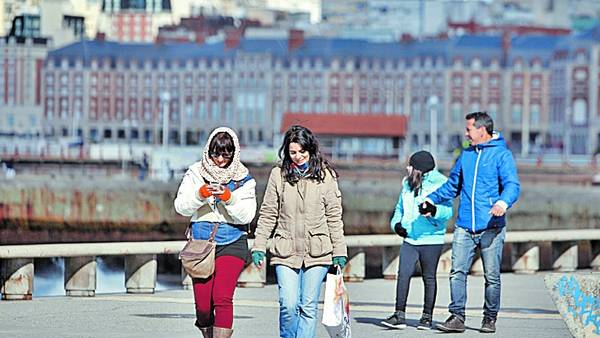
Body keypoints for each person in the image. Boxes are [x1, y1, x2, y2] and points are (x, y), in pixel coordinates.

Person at [419, 112, 520, 333]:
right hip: (464, 225)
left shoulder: (502, 155)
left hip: (491, 226)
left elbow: (513, 185)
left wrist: (503, 203)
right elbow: (452, 185)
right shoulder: (466, 155)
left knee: (491, 276)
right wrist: (431, 199)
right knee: (457, 272)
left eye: (469, 129)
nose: (466, 133)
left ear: (482, 130)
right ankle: (457, 317)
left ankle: (489, 318)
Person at [251, 125, 348, 338]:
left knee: (308, 306)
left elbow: (334, 216)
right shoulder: (278, 175)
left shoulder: (325, 176)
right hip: (285, 250)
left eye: (302, 152)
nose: (298, 157)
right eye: (293, 152)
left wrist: (340, 251)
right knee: (288, 304)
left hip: (318, 251)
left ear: (311, 150)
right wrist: (259, 245)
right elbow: (268, 213)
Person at [174, 127, 257, 338]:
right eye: (216, 154)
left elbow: (247, 215)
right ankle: (206, 332)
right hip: (201, 243)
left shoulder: (244, 179)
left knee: (222, 297)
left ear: (234, 153)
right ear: (208, 151)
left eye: (226, 155)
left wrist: (229, 197)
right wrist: (200, 194)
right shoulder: (195, 172)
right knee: (203, 305)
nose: (220, 159)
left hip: (233, 241)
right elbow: (181, 207)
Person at [381, 150, 453, 330]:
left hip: (431, 239)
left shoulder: (441, 184)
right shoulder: (407, 183)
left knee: (429, 277)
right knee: (403, 274)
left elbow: (448, 213)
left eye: (411, 165)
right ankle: (399, 315)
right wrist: (396, 225)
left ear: (419, 169)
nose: (407, 168)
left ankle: (426, 318)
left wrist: (434, 211)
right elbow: (399, 209)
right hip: (410, 239)